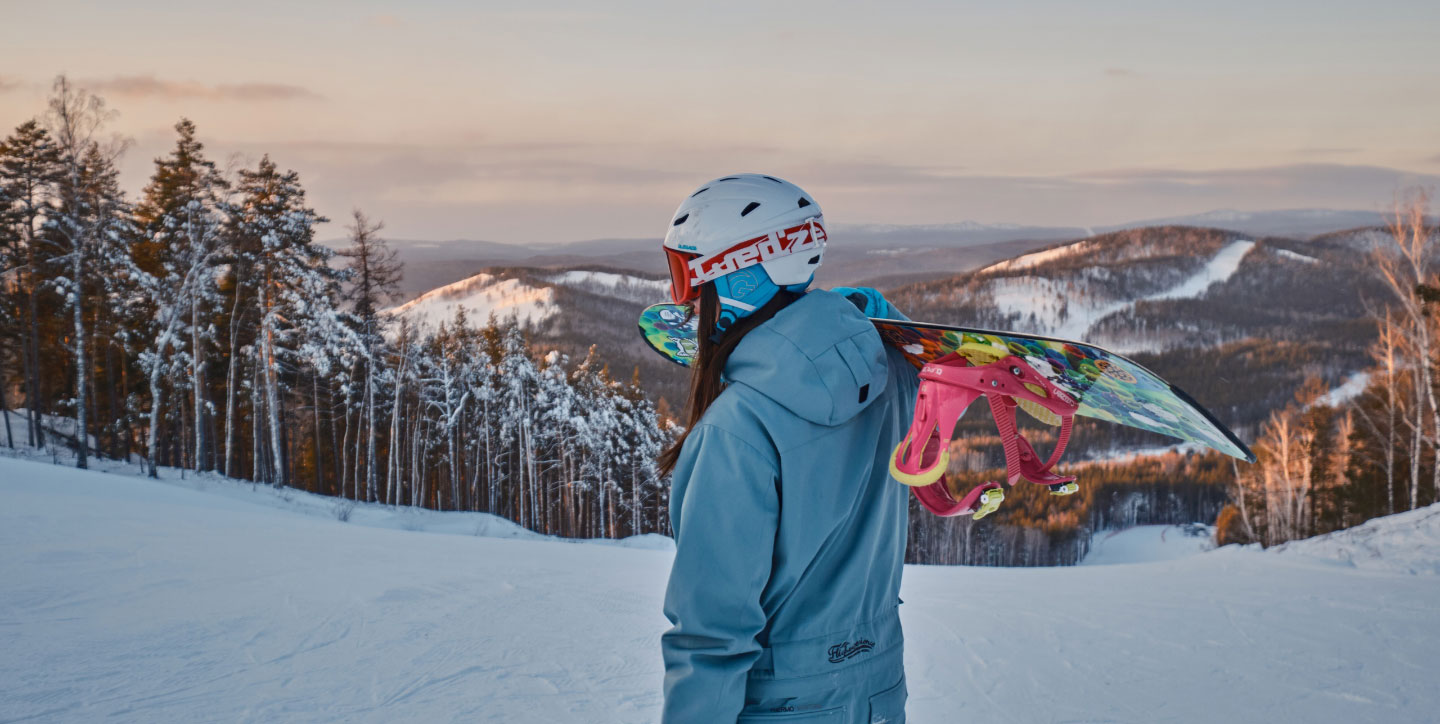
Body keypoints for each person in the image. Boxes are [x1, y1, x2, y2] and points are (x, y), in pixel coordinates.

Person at [657, 174, 920, 723]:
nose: (682, 298)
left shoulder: (735, 430)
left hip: (786, 705)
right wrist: (861, 322)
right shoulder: (885, 373)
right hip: (878, 691)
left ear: (741, 278)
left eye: (686, 275)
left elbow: (711, 638)